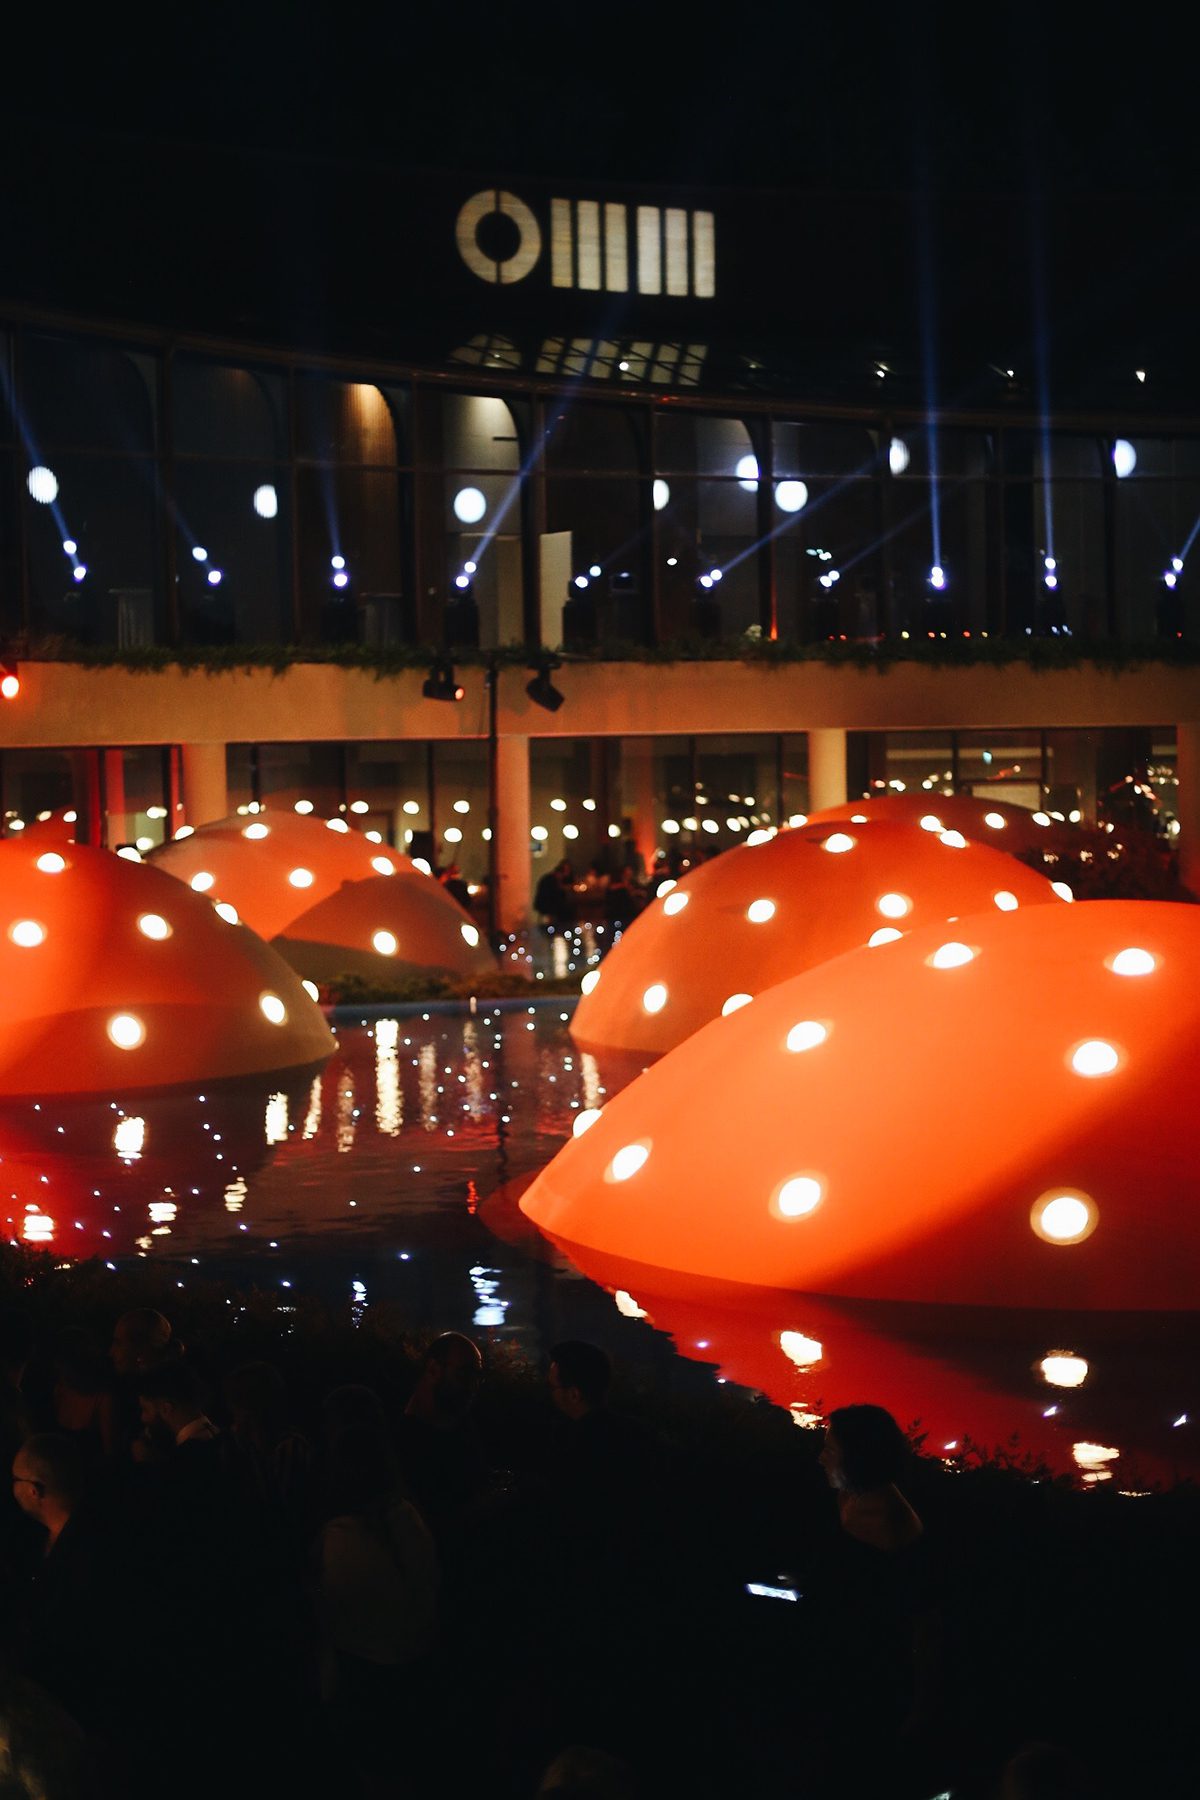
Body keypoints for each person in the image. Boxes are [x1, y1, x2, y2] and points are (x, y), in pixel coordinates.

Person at [397, 1333, 487, 1538]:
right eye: (465, 1374)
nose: (472, 1386)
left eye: (477, 1377)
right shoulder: (408, 1443)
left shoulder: (460, 1420)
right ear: (433, 1369)